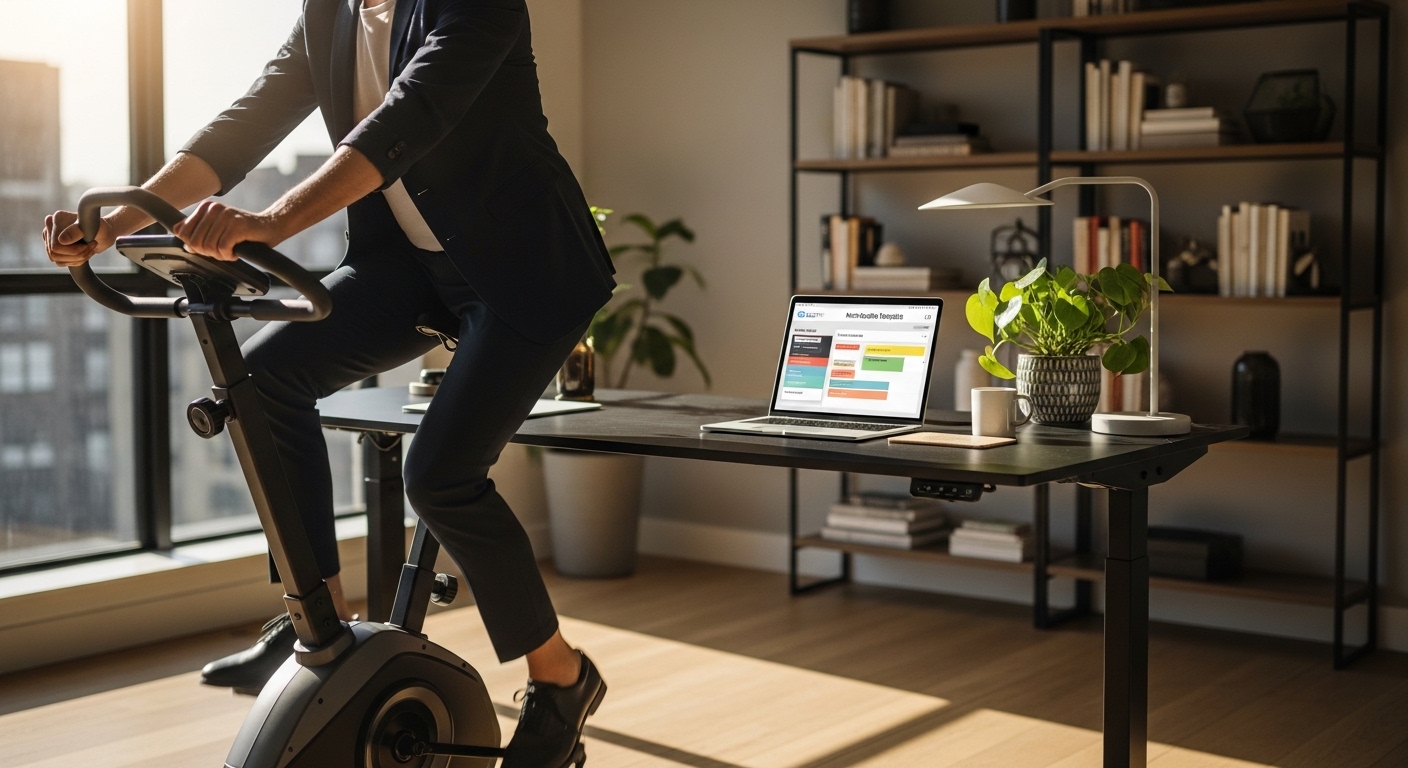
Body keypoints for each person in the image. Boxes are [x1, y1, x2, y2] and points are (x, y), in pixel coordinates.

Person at [42, 1, 614, 765]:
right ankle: (318, 624)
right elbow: (249, 121)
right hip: (408, 269)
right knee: (266, 380)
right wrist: (118, 220)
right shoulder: (332, 11)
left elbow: (411, 116)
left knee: (441, 475)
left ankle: (561, 678)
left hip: (526, 271)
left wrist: (274, 219)